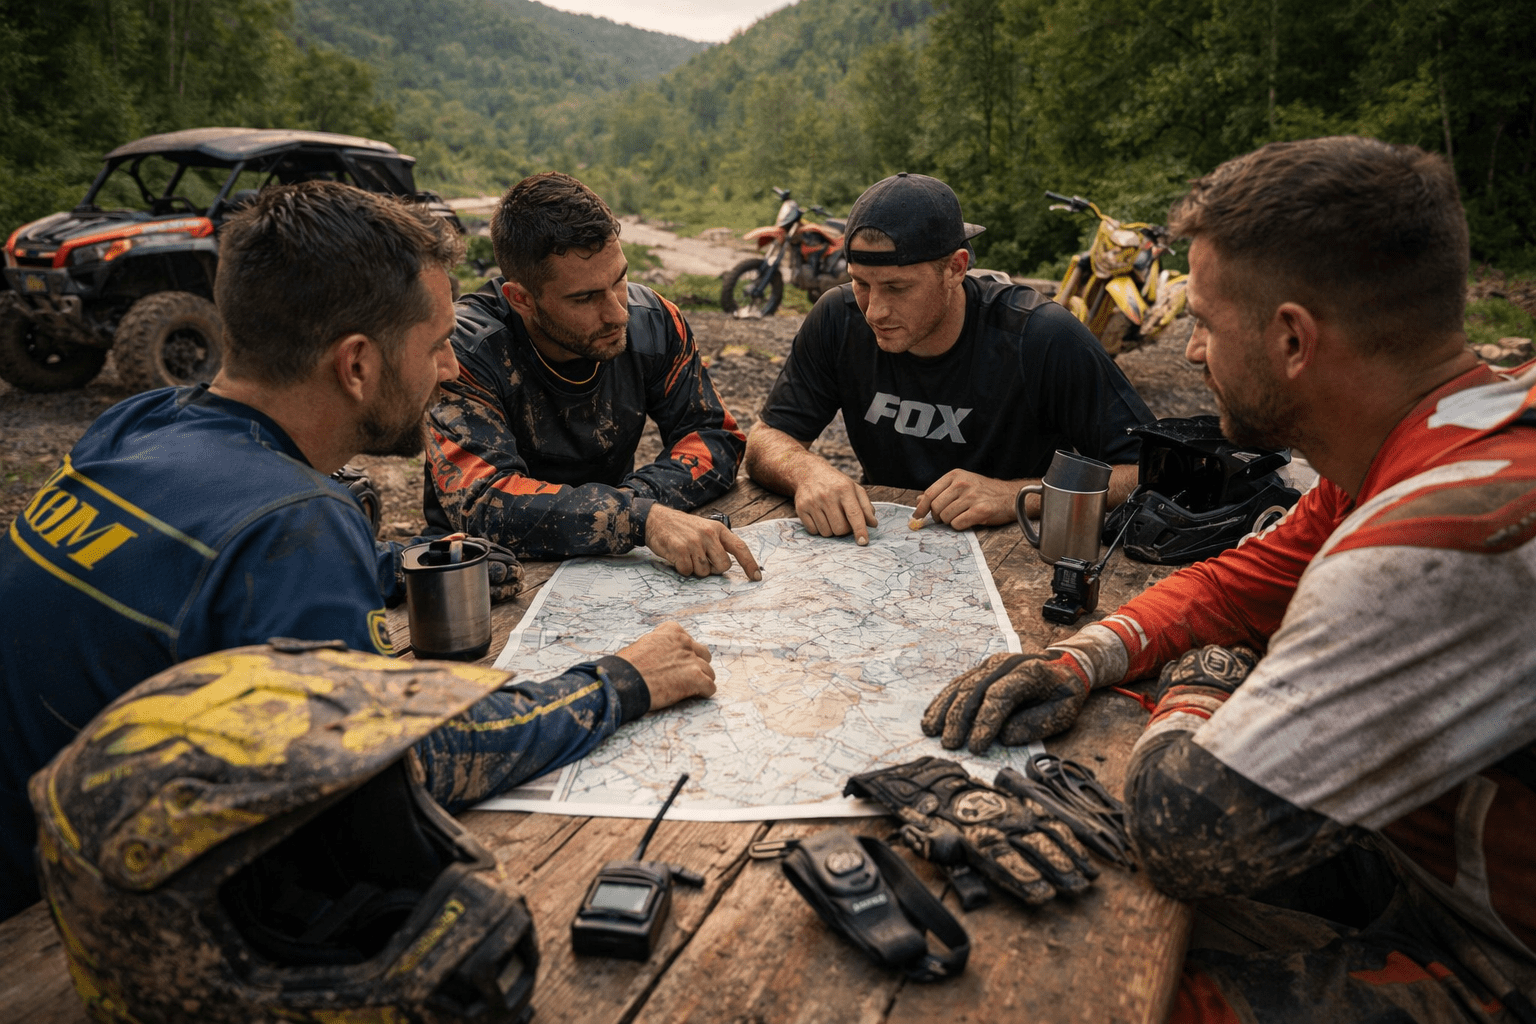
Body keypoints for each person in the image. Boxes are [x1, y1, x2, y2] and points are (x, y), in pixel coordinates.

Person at [927, 137, 1536, 1020]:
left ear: (1292, 339)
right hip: (1431, 853)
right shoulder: (1448, 436)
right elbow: (1242, 582)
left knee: (1072, 994)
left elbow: (1184, 831)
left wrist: (1203, 680)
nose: (1191, 353)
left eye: (1206, 324)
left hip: (1494, 956)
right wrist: (1078, 660)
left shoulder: (1427, 544)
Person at [0, 181, 718, 921]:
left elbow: (182, 566)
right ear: (356, 366)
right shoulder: (296, 524)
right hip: (35, 914)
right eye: (436, 345)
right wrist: (619, 683)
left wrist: (390, 565)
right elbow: (409, 766)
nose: (450, 369)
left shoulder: (138, 423)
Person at [745, 172, 1152, 545]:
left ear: (956, 269)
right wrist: (807, 471)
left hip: (1013, 545)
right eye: (860, 283)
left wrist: (1017, 495)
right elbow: (766, 438)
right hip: (884, 543)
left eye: (897, 288)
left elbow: (1149, 472)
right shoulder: (839, 317)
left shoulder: (1039, 335)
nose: (874, 312)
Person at [424, 172, 760, 580]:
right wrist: (638, 517)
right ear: (521, 299)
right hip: (485, 576)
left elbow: (715, 436)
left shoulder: (654, 321)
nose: (617, 313)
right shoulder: (461, 352)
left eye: (619, 280)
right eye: (584, 298)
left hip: (614, 563)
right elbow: (485, 502)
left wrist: (637, 504)